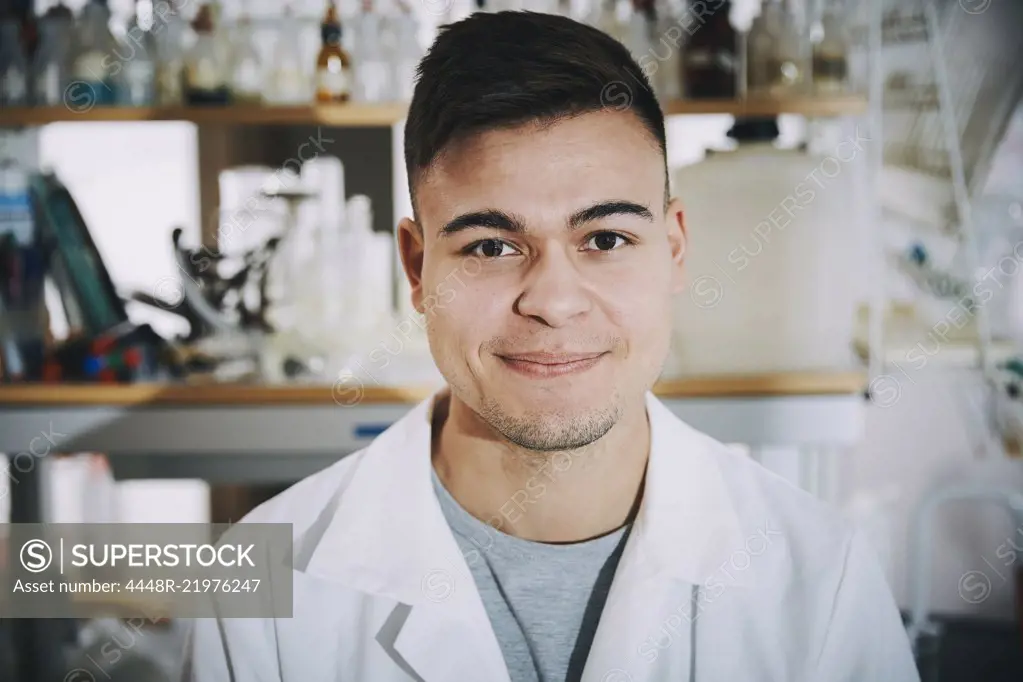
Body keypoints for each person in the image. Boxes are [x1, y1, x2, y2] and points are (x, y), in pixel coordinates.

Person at [182, 10, 920, 682]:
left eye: (604, 239)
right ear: (416, 265)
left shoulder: (819, 578)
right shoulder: (266, 584)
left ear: (673, 249)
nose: (552, 301)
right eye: (491, 247)